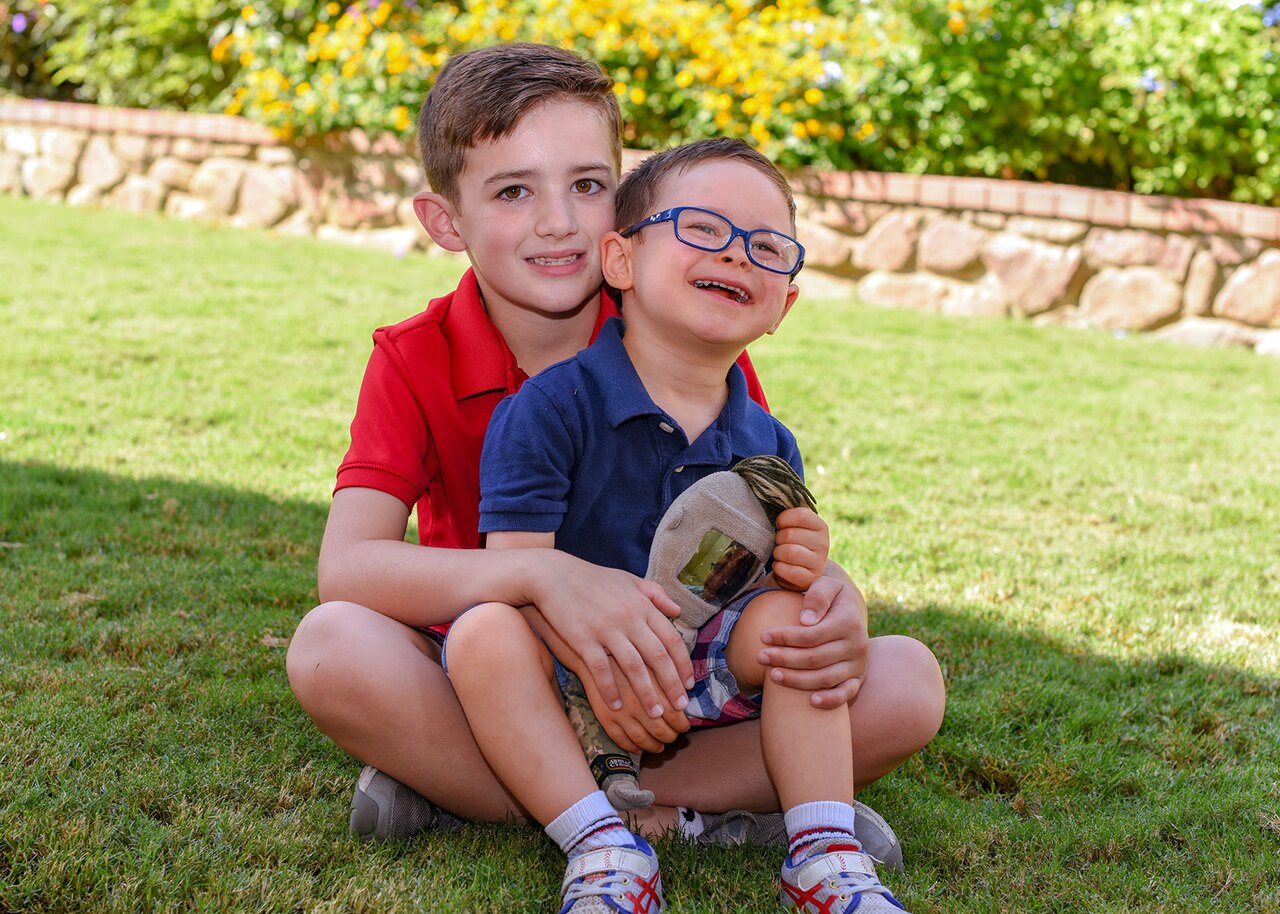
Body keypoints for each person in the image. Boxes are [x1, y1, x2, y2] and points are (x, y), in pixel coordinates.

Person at [284, 41, 944, 856]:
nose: (558, 221)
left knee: (906, 683)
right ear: (445, 221)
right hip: (503, 680)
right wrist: (542, 574)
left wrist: (832, 598)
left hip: (680, 696)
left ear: (623, 207)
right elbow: (347, 570)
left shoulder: (688, 342)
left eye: (588, 186)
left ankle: (502, 796)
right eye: (514, 190)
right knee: (332, 647)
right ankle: (701, 813)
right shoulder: (413, 357)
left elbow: (756, 531)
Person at [444, 138, 911, 913]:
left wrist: (814, 566)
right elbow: (519, 573)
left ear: (783, 307)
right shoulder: (552, 409)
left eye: (767, 247)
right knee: (482, 633)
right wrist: (600, 671)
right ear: (619, 262)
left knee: (816, 633)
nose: (736, 256)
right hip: (567, 677)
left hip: (706, 676)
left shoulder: (768, 441)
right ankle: (604, 846)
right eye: (703, 229)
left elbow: (768, 581)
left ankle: (824, 855)